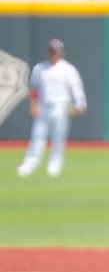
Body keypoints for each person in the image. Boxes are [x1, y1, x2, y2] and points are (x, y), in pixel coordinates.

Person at [17, 39, 85, 178]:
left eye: (56, 51)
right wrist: (34, 105)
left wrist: (80, 104)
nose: (54, 54)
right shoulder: (39, 68)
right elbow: (34, 89)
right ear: (48, 52)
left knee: (58, 138)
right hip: (43, 106)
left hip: (61, 106)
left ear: (61, 53)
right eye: (52, 51)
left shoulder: (67, 69)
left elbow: (76, 87)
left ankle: (55, 164)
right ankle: (30, 164)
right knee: (37, 136)